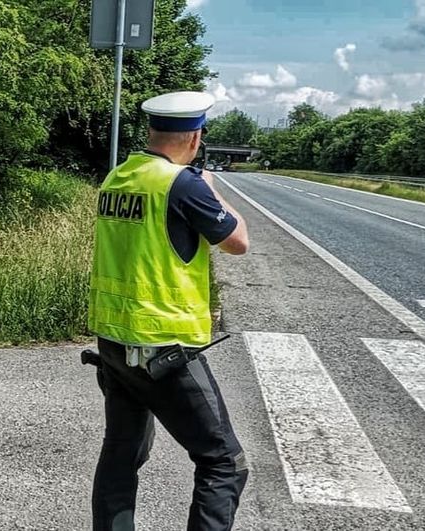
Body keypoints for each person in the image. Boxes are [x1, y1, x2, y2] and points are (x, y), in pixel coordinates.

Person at [87, 91, 251, 531]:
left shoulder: (119, 177)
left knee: (122, 455)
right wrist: (214, 189)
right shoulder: (183, 183)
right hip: (163, 347)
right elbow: (238, 242)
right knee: (224, 463)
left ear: (151, 131)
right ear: (195, 137)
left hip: (114, 341)